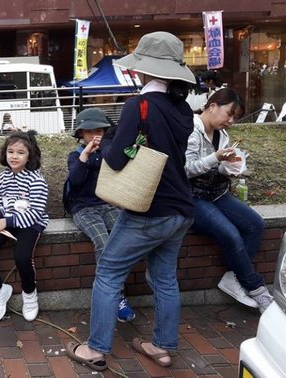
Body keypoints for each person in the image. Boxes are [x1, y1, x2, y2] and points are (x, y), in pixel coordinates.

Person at [66, 31, 196, 371]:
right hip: (181, 208)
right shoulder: (182, 107)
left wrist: (106, 143)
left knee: (108, 272)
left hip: (149, 207)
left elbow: (118, 158)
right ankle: (162, 347)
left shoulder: (138, 104)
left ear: (144, 69)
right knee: (165, 279)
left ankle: (95, 349)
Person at [185, 88, 273, 313]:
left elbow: (220, 167)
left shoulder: (222, 134)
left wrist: (232, 167)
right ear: (212, 105)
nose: (231, 120)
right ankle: (257, 289)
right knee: (230, 234)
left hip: (217, 192)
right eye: (229, 113)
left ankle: (234, 277)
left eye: (235, 116)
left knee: (255, 224)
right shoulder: (191, 129)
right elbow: (185, 169)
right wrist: (215, 157)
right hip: (192, 197)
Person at [66, 108, 135, 323]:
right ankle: (111, 296)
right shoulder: (76, 155)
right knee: (103, 243)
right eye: (88, 132)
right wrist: (86, 154)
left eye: (99, 130)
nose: (94, 135)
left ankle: (117, 291)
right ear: (80, 134)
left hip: (110, 204)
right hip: (84, 208)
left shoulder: (112, 153)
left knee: (122, 242)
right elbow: (75, 181)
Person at [0, 130, 49, 323]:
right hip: (6, 221)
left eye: (20, 152)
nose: (14, 156)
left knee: (22, 256)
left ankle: (29, 293)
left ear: (29, 156)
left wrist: (7, 221)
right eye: (11, 151)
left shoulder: (36, 180)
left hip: (30, 224)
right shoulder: (3, 177)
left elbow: (35, 213)